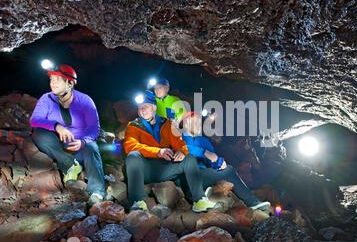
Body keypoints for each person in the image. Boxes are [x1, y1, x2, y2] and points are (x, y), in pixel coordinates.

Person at [124, 91, 217, 212]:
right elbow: (130, 146)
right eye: (140, 108)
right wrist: (158, 152)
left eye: (145, 106)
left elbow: (181, 144)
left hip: (165, 168)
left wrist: (182, 152)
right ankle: (137, 201)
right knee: (133, 156)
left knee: (189, 158)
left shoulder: (168, 123)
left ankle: (199, 200)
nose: (142, 110)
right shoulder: (133, 126)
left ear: (154, 107)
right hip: (146, 169)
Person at [30, 64, 106, 206]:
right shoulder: (46, 99)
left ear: (70, 83)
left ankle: (97, 191)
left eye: (58, 80)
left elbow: (94, 128)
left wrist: (83, 141)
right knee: (38, 134)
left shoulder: (85, 101)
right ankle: (70, 164)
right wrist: (56, 126)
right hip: (60, 143)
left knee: (91, 147)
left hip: (81, 144)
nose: (53, 83)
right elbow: (34, 120)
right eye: (52, 79)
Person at [181, 111, 271, 211]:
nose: (198, 124)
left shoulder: (203, 140)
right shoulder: (179, 137)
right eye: (195, 121)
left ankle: (253, 202)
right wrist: (204, 152)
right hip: (187, 174)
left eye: (199, 121)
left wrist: (218, 163)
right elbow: (185, 149)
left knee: (228, 170)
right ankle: (195, 194)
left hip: (203, 174)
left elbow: (213, 158)